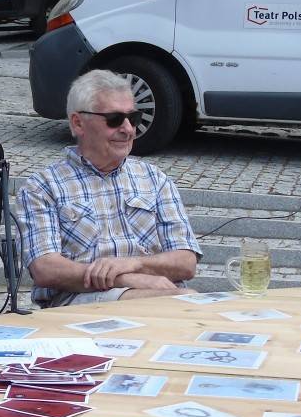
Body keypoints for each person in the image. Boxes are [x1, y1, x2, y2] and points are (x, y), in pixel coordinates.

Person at [17, 68, 202, 307]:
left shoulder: (155, 179)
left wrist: (134, 264)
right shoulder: (42, 187)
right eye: (114, 119)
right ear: (78, 123)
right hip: (78, 303)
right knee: (184, 301)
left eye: (133, 118)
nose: (128, 129)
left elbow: (186, 262)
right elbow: (45, 268)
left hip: (159, 295)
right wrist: (125, 280)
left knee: (189, 304)